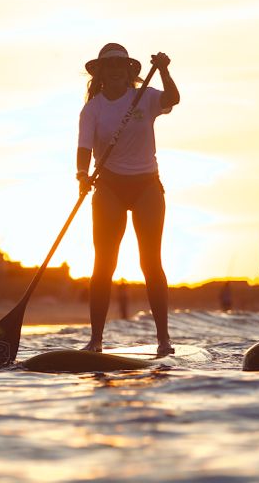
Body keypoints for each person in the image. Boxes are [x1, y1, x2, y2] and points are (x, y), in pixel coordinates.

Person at [77, 43, 180, 355]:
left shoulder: (145, 97)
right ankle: (96, 341)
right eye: (110, 66)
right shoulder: (92, 109)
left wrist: (163, 69)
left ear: (130, 71)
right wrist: (82, 173)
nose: (116, 70)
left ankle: (164, 339)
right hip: (108, 186)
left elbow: (173, 99)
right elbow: (83, 150)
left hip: (146, 185)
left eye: (121, 65)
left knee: (151, 261)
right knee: (103, 264)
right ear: (101, 73)